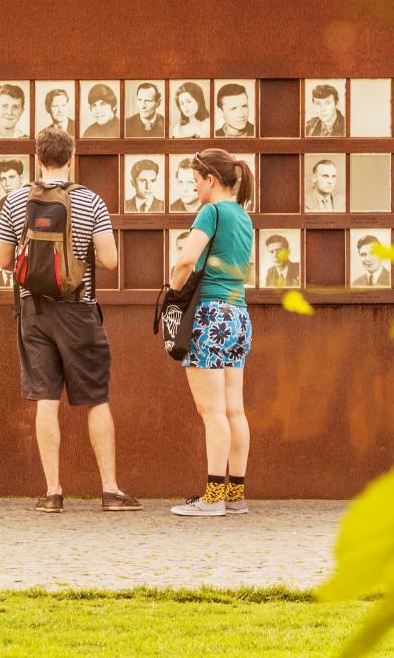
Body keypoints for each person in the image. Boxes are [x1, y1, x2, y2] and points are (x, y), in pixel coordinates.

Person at [0, 127, 133, 512]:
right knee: (96, 399)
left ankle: (52, 492)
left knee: (46, 400)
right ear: (72, 158)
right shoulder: (90, 201)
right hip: (78, 308)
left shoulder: (16, 200)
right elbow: (110, 260)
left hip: (33, 312)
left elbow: (5, 262)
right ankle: (110, 491)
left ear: (37, 158)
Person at [167, 147, 256, 517]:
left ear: (211, 180)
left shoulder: (212, 212)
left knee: (211, 410)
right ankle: (235, 495)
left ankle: (213, 497)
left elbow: (187, 258)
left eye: (196, 181)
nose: (194, 189)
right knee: (234, 409)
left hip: (209, 316)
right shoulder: (243, 217)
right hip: (238, 315)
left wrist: (174, 288)